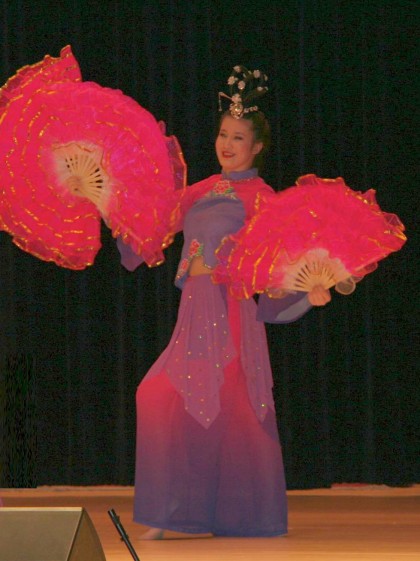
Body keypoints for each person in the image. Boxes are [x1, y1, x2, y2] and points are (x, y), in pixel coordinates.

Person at [118, 66, 331, 539]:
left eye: (238, 138)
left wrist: (308, 292)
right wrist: (108, 202)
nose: (227, 144)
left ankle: (228, 514)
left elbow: (280, 261)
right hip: (195, 310)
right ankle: (178, 513)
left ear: (256, 147)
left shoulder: (262, 198)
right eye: (222, 135)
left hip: (230, 311)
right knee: (165, 399)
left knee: (222, 409)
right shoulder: (199, 191)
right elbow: (152, 225)